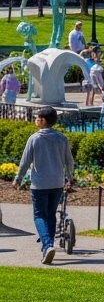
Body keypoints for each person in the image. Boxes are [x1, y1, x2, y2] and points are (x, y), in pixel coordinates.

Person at [12, 106, 74, 264]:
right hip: (57, 183)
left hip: (39, 184)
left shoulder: (34, 139)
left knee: (39, 215)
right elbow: (69, 161)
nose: (35, 120)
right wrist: (69, 178)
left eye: (37, 117)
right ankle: (49, 245)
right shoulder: (62, 138)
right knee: (51, 214)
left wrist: (18, 178)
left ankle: (47, 246)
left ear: (43, 120)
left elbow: (25, 162)